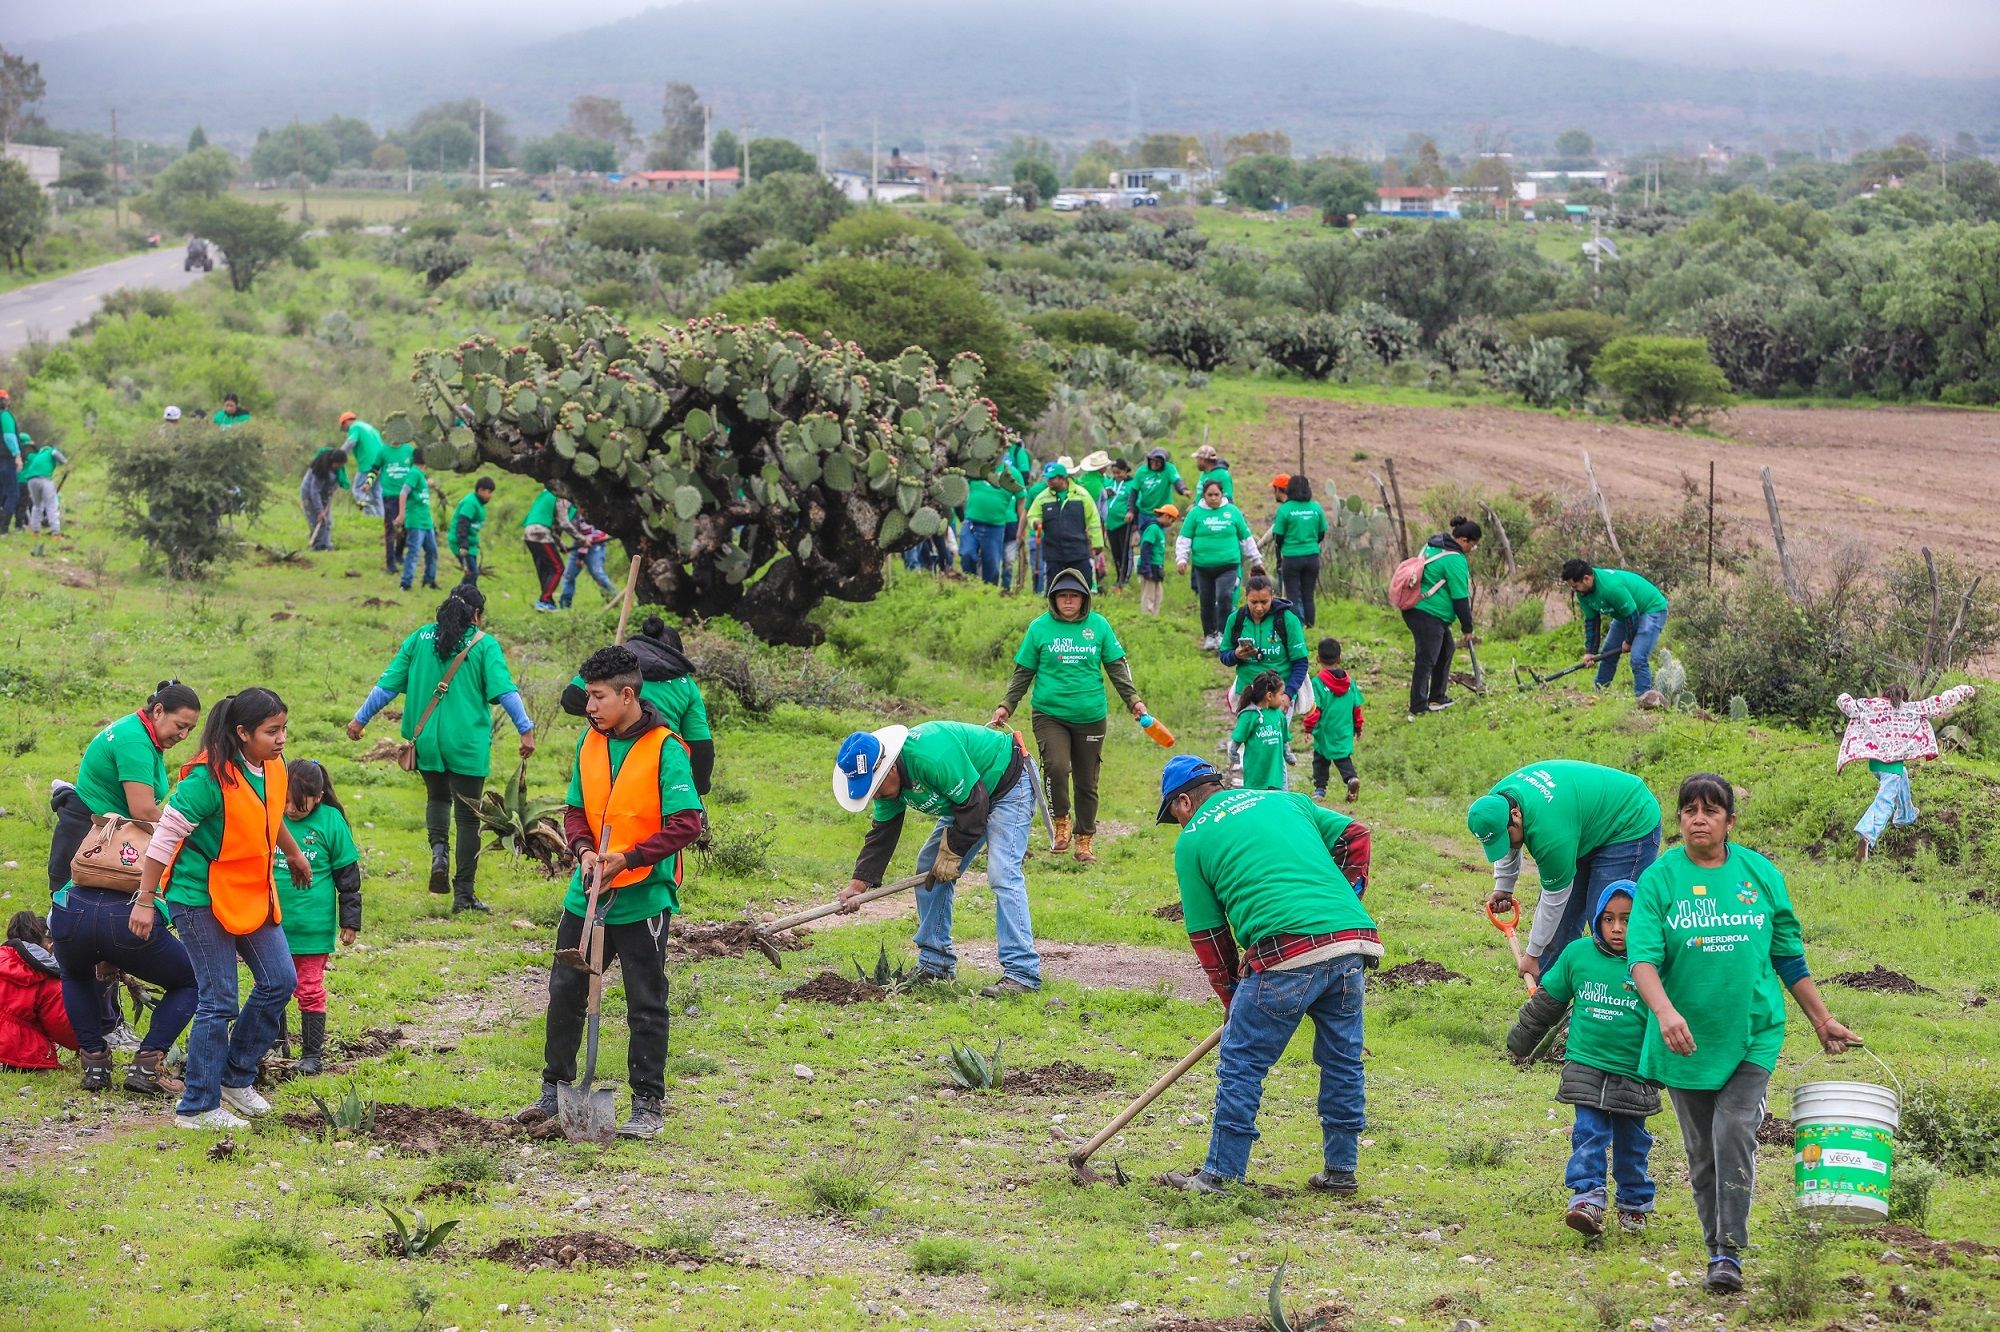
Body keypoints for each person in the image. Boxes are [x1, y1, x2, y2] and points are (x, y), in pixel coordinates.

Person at [1627, 774, 1859, 1295]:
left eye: (1711, 810)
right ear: (1679, 820)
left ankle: (1729, 1251)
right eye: (1689, 810)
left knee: (1733, 1130)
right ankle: (1715, 1245)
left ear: (1730, 821)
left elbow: (1787, 954)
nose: (1699, 819)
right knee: (1701, 1151)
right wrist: (1664, 1013)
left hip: (1754, 1030)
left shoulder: (1760, 874)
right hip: (1683, 1037)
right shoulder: (1660, 880)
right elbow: (1641, 958)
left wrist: (1821, 1020)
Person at [1156, 755, 1377, 1195]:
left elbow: (1209, 936)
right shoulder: (1286, 800)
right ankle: (1341, 1171)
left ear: (1184, 802)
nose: (1178, 825)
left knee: (1242, 1062)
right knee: (1342, 1061)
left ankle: (1221, 1175)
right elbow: (1356, 835)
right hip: (1352, 942)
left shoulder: (1194, 840)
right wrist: (1349, 893)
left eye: (1174, 816)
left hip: (1283, 951)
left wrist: (1231, 999)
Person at [517, 646, 704, 1140]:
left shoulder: (667, 749)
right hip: (588, 891)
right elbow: (575, 809)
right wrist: (581, 850)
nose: (590, 706)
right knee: (564, 991)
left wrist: (631, 857)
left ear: (627, 695)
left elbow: (687, 823)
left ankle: (648, 1103)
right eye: (587, 697)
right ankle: (553, 1089)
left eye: (597, 697)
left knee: (645, 1000)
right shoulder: (589, 741)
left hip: (643, 894)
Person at [136, 688, 311, 1130]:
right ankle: (197, 1106)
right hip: (198, 896)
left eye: (284, 729)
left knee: (279, 980)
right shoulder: (207, 780)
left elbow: (268, 817)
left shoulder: (273, 767)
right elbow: (163, 839)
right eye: (272, 731)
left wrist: (292, 852)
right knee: (219, 1000)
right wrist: (144, 899)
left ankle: (235, 1077)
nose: (281, 739)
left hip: (250, 890)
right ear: (242, 732)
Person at [348, 584, 537, 913]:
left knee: (436, 798)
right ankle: (463, 895)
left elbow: (387, 685)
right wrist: (526, 729)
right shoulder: (483, 644)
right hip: (466, 744)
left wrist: (359, 720)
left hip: (426, 741)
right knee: (467, 818)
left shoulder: (420, 637)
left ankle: (439, 852)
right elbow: (506, 691)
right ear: (476, 615)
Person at [48, 680, 204, 1049]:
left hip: (109, 840)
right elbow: (144, 811)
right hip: (93, 844)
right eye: (179, 725)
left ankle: (98, 1042)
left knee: (89, 948)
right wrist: (191, 835)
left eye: (190, 730)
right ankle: (104, 1029)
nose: (183, 735)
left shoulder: (143, 733)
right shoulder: (135, 740)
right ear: (158, 711)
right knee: (82, 945)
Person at [833, 721, 1041, 996]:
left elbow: (975, 806)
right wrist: (858, 885)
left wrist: (952, 852)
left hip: (1008, 783)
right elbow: (883, 833)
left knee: (1003, 872)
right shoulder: (885, 785)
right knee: (929, 867)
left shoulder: (931, 755)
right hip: (966, 799)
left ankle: (1022, 973)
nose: (877, 795)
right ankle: (935, 964)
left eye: (876, 787)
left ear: (890, 767)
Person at [1507, 881, 1660, 1238]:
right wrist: (1521, 1041)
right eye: (1608, 919)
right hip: (1587, 1066)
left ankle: (1634, 1204)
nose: (1618, 928)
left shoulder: (1655, 964)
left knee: (1633, 1143)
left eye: (1628, 919)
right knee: (1589, 1134)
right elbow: (1547, 1003)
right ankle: (1587, 1199)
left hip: (1634, 1072)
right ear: (1597, 920)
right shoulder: (1577, 955)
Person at [993, 568, 1147, 863]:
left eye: (1073, 596)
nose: (1067, 601)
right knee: (1057, 767)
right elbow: (1023, 673)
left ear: (1083, 599)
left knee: (1087, 781)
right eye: (1062, 596)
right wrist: (1006, 705)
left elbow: (1116, 667)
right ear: (1053, 598)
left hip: (1091, 715)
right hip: (1050, 714)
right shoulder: (1039, 628)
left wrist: (1134, 701)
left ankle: (1084, 840)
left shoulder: (1099, 626)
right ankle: (1060, 824)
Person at [1467, 760, 1662, 981]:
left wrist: (1532, 954)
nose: (1507, 845)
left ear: (1516, 815)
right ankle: (1547, 1003)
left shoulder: (1549, 833)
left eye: (1506, 838)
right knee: (1560, 926)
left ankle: (1614, 1004)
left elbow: (1554, 899)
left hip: (1628, 820)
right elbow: (1509, 843)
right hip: (1581, 823)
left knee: (1608, 921)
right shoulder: (1494, 804)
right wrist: (1504, 886)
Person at [272, 760, 361, 1078]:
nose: (289, 810)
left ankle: (312, 1056)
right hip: (271, 923)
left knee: (308, 987)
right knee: (271, 986)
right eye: (283, 802)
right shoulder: (271, 816)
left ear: (318, 797)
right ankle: (273, 1045)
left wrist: (349, 921)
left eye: (298, 804)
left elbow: (347, 876)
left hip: (312, 927)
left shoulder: (331, 821)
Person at [561, 616, 715, 797]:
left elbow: (570, 701)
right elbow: (701, 744)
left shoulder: (615, 671)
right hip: (662, 763)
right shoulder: (686, 686)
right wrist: (700, 787)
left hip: (610, 760)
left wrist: (608, 706)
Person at [1836, 682, 1976, 861]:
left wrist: (1845, 695)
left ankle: (1906, 814)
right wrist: (1965, 690)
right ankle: (1867, 835)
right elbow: (1941, 702)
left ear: (1884, 695)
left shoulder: (1869, 706)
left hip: (1876, 764)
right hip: (1892, 766)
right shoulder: (1912, 709)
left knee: (1903, 774)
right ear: (1905, 697)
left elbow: (1845, 703)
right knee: (1885, 802)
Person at [1560, 560, 1670, 702]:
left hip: (1651, 609)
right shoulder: (1583, 594)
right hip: (1626, 614)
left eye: (1575, 586)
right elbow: (1592, 621)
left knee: (1638, 656)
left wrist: (1629, 641)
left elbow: (1632, 615)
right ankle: (1599, 692)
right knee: (1607, 653)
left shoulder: (1610, 587)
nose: (1575, 591)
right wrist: (1590, 651)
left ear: (1587, 579)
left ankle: (1644, 700)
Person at [1403, 516, 1479, 717]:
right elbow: (1460, 598)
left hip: (1418, 609)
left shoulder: (1433, 543)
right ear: (1463, 540)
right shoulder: (1454, 559)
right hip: (1427, 613)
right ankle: (1418, 705)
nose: (1473, 549)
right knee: (1426, 658)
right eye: (1473, 545)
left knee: (1446, 650)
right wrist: (1467, 628)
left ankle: (1437, 696)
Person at [1176, 479, 1259, 650]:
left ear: (1222, 495)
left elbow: (1245, 538)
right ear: (1204, 496)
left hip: (1228, 565)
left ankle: (1223, 634)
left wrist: (1256, 559)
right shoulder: (1195, 514)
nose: (1213, 498)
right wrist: (1182, 559)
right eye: (1209, 495)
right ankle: (1209, 635)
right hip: (1203, 567)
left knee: (1224, 596)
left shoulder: (1232, 512)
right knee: (1206, 601)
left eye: (1216, 495)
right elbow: (1184, 539)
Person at [1218, 574, 1309, 716]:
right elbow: (1224, 656)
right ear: (1246, 597)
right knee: (1249, 737)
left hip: (1278, 696)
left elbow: (1301, 662)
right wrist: (1236, 655)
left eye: (1264, 602)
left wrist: (1288, 695)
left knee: (1275, 738)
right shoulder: (1236, 619)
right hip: (1247, 694)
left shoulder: (1288, 620)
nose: (1259, 608)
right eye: (1253, 602)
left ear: (1272, 597)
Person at [0, 912, 77, 1074]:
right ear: (48, 943)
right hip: (18, 1050)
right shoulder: (47, 975)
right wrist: (85, 1044)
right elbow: (60, 1025)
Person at [1021, 461, 1104, 592]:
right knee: (1054, 587)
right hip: (1053, 551)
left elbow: (1093, 520)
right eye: (1047, 478)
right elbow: (1032, 514)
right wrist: (1035, 522)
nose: (1048, 481)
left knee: (1083, 584)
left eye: (1052, 478)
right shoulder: (1043, 497)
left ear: (1063, 478)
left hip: (1077, 550)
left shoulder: (1082, 495)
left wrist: (1097, 543)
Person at [1304, 638, 1364, 802]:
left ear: (1318, 659)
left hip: (1325, 730)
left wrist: (1309, 728)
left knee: (1320, 760)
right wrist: (1358, 728)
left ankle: (1320, 789)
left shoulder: (1317, 682)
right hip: (1344, 730)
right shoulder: (1350, 682)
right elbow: (1356, 708)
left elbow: (1315, 709)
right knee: (1343, 758)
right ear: (1339, 659)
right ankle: (1351, 779)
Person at [1271, 475, 1329, 629]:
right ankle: (1310, 625)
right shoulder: (1316, 508)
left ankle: (1297, 625)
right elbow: (1322, 533)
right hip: (1312, 557)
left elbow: (1278, 536)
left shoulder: (1285, 509)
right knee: (1308, 595)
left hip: (1291, 557)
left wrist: (1285, 548)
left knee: (1293, 595)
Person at [961, 453, 1024, 589]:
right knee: (967, 554)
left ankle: (989, 594)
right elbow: (961, 485)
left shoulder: (1012, 473)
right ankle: (969, 587)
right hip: (972, 522)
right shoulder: (976, 468)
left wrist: (1021, 527)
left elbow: (1021, 499)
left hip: (995, 527)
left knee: (992, 566)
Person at [1230, 671, 1291, 791]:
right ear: (1269, 696)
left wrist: (1288, 755)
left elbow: (1283, 739)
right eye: (1281, 694)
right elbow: (1237, 739)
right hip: (1256, 773)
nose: (1283, 699)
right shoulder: (1249, 715)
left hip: (1276, 772)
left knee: (1280, 800)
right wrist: (1234, 755)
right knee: (1257, 801)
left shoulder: (1279, 715)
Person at [375, 435, 419, 577]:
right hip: (390, 496)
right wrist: (367, 483)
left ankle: (399, 554)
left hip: (408, 496)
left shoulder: (409, 451)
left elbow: (416, 471)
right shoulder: (383, 451)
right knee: (391, 529)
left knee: (406, 527)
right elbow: (374, 469)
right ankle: (390, 563)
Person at [558, 504, 618, 607]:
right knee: (568, 575)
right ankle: (565, 605)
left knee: (597, 573)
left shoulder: (580, 513)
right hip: (579, 543)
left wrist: (580, 558)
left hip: (595, 543)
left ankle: (614, 600)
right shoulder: (564, 514)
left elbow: (587, 537)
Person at [522, 486, 566, 612]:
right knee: (558, 567)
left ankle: (548, 601)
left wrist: (560, 544)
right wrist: (582, 539)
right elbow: (564, 523)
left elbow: (552, 526)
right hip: (540, 534)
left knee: (544, 568)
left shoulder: (544, 494)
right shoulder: (561, 497)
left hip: (528, 533)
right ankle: (544, 600)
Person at [398, 464, 440, 592]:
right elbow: (404, 492)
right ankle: (405, 583)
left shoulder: (421, 475)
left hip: (426, 521)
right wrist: (401, 514)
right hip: (416, 521)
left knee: (432, 551)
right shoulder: (414, 473)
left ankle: (429, 580)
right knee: (413, 552)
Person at [338, 411, 386, 518]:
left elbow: (351, 442)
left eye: (344, 428)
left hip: (368, 464)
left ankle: (371, 515)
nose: (346, 431)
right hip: (381, 463)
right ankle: (380, 518)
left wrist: (338, 454)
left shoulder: (354, 427)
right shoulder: (370, 428)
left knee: (358, 490)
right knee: (376, 492)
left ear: (345, 422)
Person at [18, 436, 68, 538]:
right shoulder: (50, 451)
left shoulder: (36, 456)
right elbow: (56, 454)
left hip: (31, 480)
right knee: (51, 505)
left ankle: (35, 531)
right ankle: (56, 533)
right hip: (44, 479)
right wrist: (66, 463)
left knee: (37, 505)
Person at [1127, 447, 1189, 527]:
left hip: (1162, 514)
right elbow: (1133, 493)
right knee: (1145, 537)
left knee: (1158, 536)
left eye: (1159, 462)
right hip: (1144, 512)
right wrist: (1130, 510)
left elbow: (1177, 481)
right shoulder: (1141, 471)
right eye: (1153, 460)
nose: (1155, 463)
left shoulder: (1169, 469)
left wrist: (1183, 490)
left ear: (1164, 463)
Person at [300, 446, 344, 552]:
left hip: (324, 494)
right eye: (339, 464)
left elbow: (333, 479)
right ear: (333, 462)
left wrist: (333, 486)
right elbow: (314, 491)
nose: (341, 466)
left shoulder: (334, 468)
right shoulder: (321, 470)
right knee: (318, 521)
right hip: (310, 495)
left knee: (327, 521)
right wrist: (319, 510)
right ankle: (317, 547)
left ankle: (326, 545)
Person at [452, 477, 496, 583]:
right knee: (472, 573)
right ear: (480, 490)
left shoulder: (478, 503)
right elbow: (462, 524)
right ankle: (458, 596)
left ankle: (469, 596)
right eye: (489, 492)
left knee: (472, 574)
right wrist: (463, 545)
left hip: (470, 543)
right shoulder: (470, 503)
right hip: (460, 542)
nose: (491, 495)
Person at [1102, 458, 1136, 589]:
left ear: (1125, 471)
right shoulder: (1109, 483)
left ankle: (1125, 580)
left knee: (1125, 552)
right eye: (1114, 473)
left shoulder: (1132, 484)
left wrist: (1131, 513)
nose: (1117, 476)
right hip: (1110, 524)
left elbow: (1135, 501)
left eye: (1119, 473)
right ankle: (1118, 577)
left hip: (1124, 523)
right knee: (1115, 552)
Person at [1137, 503, 1174, 615]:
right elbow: (1146, 547)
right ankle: (1147, 617)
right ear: (1167, 516)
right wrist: (1146, 568)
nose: (1171, 524)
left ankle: (1155, 617)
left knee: (1158, 594)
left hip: (1157, 566)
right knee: (1149, 595)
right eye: (1172, 520)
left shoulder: (1159, 530)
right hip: (1150, 565)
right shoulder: (1153, 528)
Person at [0, 387, 19, 536]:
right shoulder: (5, 415)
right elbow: (9, 437)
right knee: (13, 493)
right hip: (5, 459)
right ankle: (4, 529)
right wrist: (17, 455)